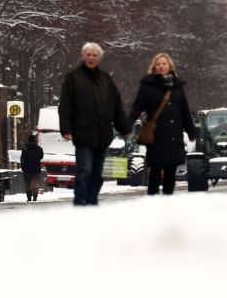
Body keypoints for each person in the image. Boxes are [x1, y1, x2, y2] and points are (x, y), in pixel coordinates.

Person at [58, 42, 129, 206]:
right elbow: (65, 106)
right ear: (83, 56)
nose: (91, 58)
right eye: (88, 55)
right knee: (84, 170)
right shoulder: (73, 77)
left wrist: (124, 128)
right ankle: (80, 202)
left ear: (100, 58)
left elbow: (116, 105)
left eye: (94, 55)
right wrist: (66, 129)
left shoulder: (106, 79)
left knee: (97, 172)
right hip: (83, 133)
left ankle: (92, 201)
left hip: (103, 134)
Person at [128, 52, 197, 195]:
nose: (161, 66)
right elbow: (137, 107)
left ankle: (167, 201)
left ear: (169, 66)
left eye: (164, 64)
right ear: (154, 67)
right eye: (158, 64)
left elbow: (185, 110)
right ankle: (153, 200)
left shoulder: (177, 86)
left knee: (171, 172)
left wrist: (191, 131)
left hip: (174, 135)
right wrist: (127, 124)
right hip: (156, 135)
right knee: (155, 170)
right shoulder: (147, 86)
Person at [20, 134, 44, 202]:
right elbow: (41, 157)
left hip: (27, 169)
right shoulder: (39, 149)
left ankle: (29, 197)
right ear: (34, 140)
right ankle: (35, 196)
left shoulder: (25, 149)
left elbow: (22, 159)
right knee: (35, 182)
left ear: (28, 140)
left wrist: (23, 167)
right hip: (36, 169)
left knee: (28, 183)